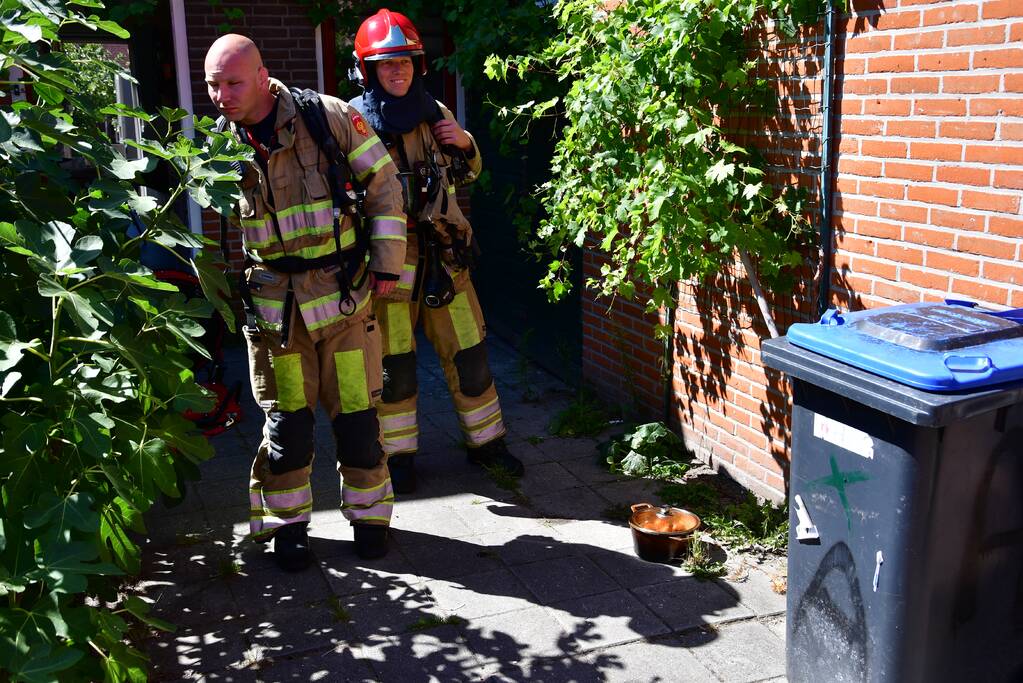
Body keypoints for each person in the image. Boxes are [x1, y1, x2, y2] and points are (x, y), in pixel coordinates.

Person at [204, 34, 407, 569]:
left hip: (342, 304)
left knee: (359, 423)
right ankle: (288, 529)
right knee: (287, 428)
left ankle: (370, 520)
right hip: (278, 319)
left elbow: (384, 185)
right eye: (212, 84)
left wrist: (387, 264)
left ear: (262, 73)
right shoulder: (217, 146)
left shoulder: (328, 118)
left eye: (232, 82)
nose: (221, 95)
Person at [348, 9, 524, 494]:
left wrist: (466, 144)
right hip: (390, 269)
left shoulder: (438, 113)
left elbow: (467, 174)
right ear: (369, 71)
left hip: (447, 261)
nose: (397, 71)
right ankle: (398, 458)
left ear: (418, 65)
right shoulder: (353, 123)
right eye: (386, 64)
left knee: (471, 358)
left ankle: (487, 444)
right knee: (395, 370)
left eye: (404, 61)